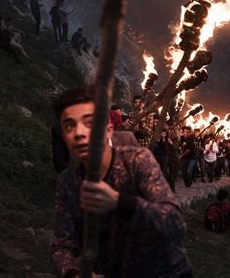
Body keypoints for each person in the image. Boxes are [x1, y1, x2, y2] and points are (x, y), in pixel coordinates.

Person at [51, 87, 192, 277]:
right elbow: (62, 243)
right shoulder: (68, 182)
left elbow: (175, 223)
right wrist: (73, 273)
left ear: (109, 131)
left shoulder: (136, 161)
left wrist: (120, 202)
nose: (78, 133)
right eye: (69, 125)